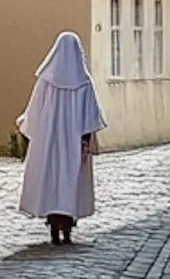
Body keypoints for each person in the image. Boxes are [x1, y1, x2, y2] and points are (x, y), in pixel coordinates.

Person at [17, 31, 105, 244]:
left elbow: (35, 113)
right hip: (73, 143)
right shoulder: (84, 83)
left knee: (51, 180)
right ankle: (67, 227)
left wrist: (30, 129)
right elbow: (90, 117)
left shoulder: (45, 82)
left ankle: (53, 226)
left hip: (49, 143)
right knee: (69, 181)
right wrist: (86, 140)